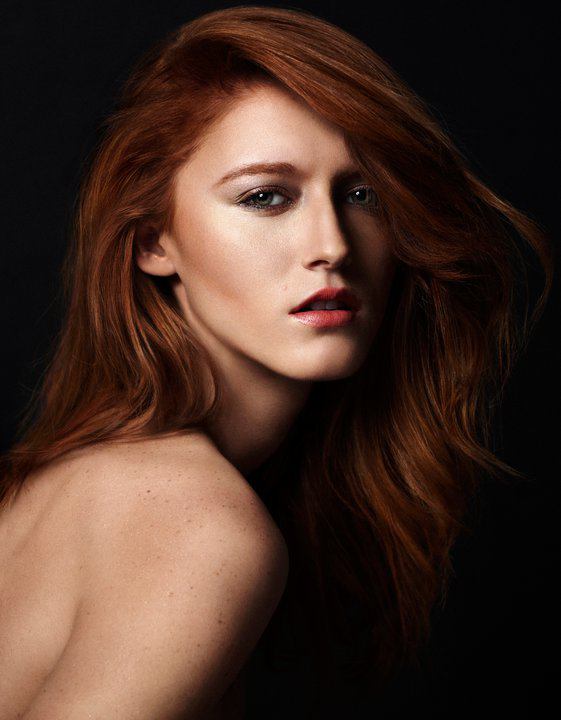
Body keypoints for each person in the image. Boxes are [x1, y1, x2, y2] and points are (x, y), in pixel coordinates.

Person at [0, 5, 554, 719]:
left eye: (362, 195)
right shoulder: (199, 526)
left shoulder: (62, 480)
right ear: (153, 242)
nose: (332, 244)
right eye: (265, 197)